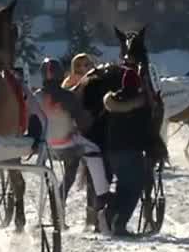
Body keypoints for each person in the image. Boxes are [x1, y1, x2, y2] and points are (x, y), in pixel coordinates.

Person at [36, 57, 110, 226]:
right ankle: (101, 194)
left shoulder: (37, 96)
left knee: (72, 166)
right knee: (94, 150)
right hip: (67, 144)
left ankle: (58, 205)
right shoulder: (68, 97)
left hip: (46, 146)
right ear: (61, 75)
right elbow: (82, 121)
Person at [102, 66, 151, 236]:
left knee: (123, 185)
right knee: (136, 186)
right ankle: (120, 224)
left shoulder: (112, 101)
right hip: (131, 151)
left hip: (112, 151)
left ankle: (110, 213)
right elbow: (146, 130)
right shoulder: (140, 104)